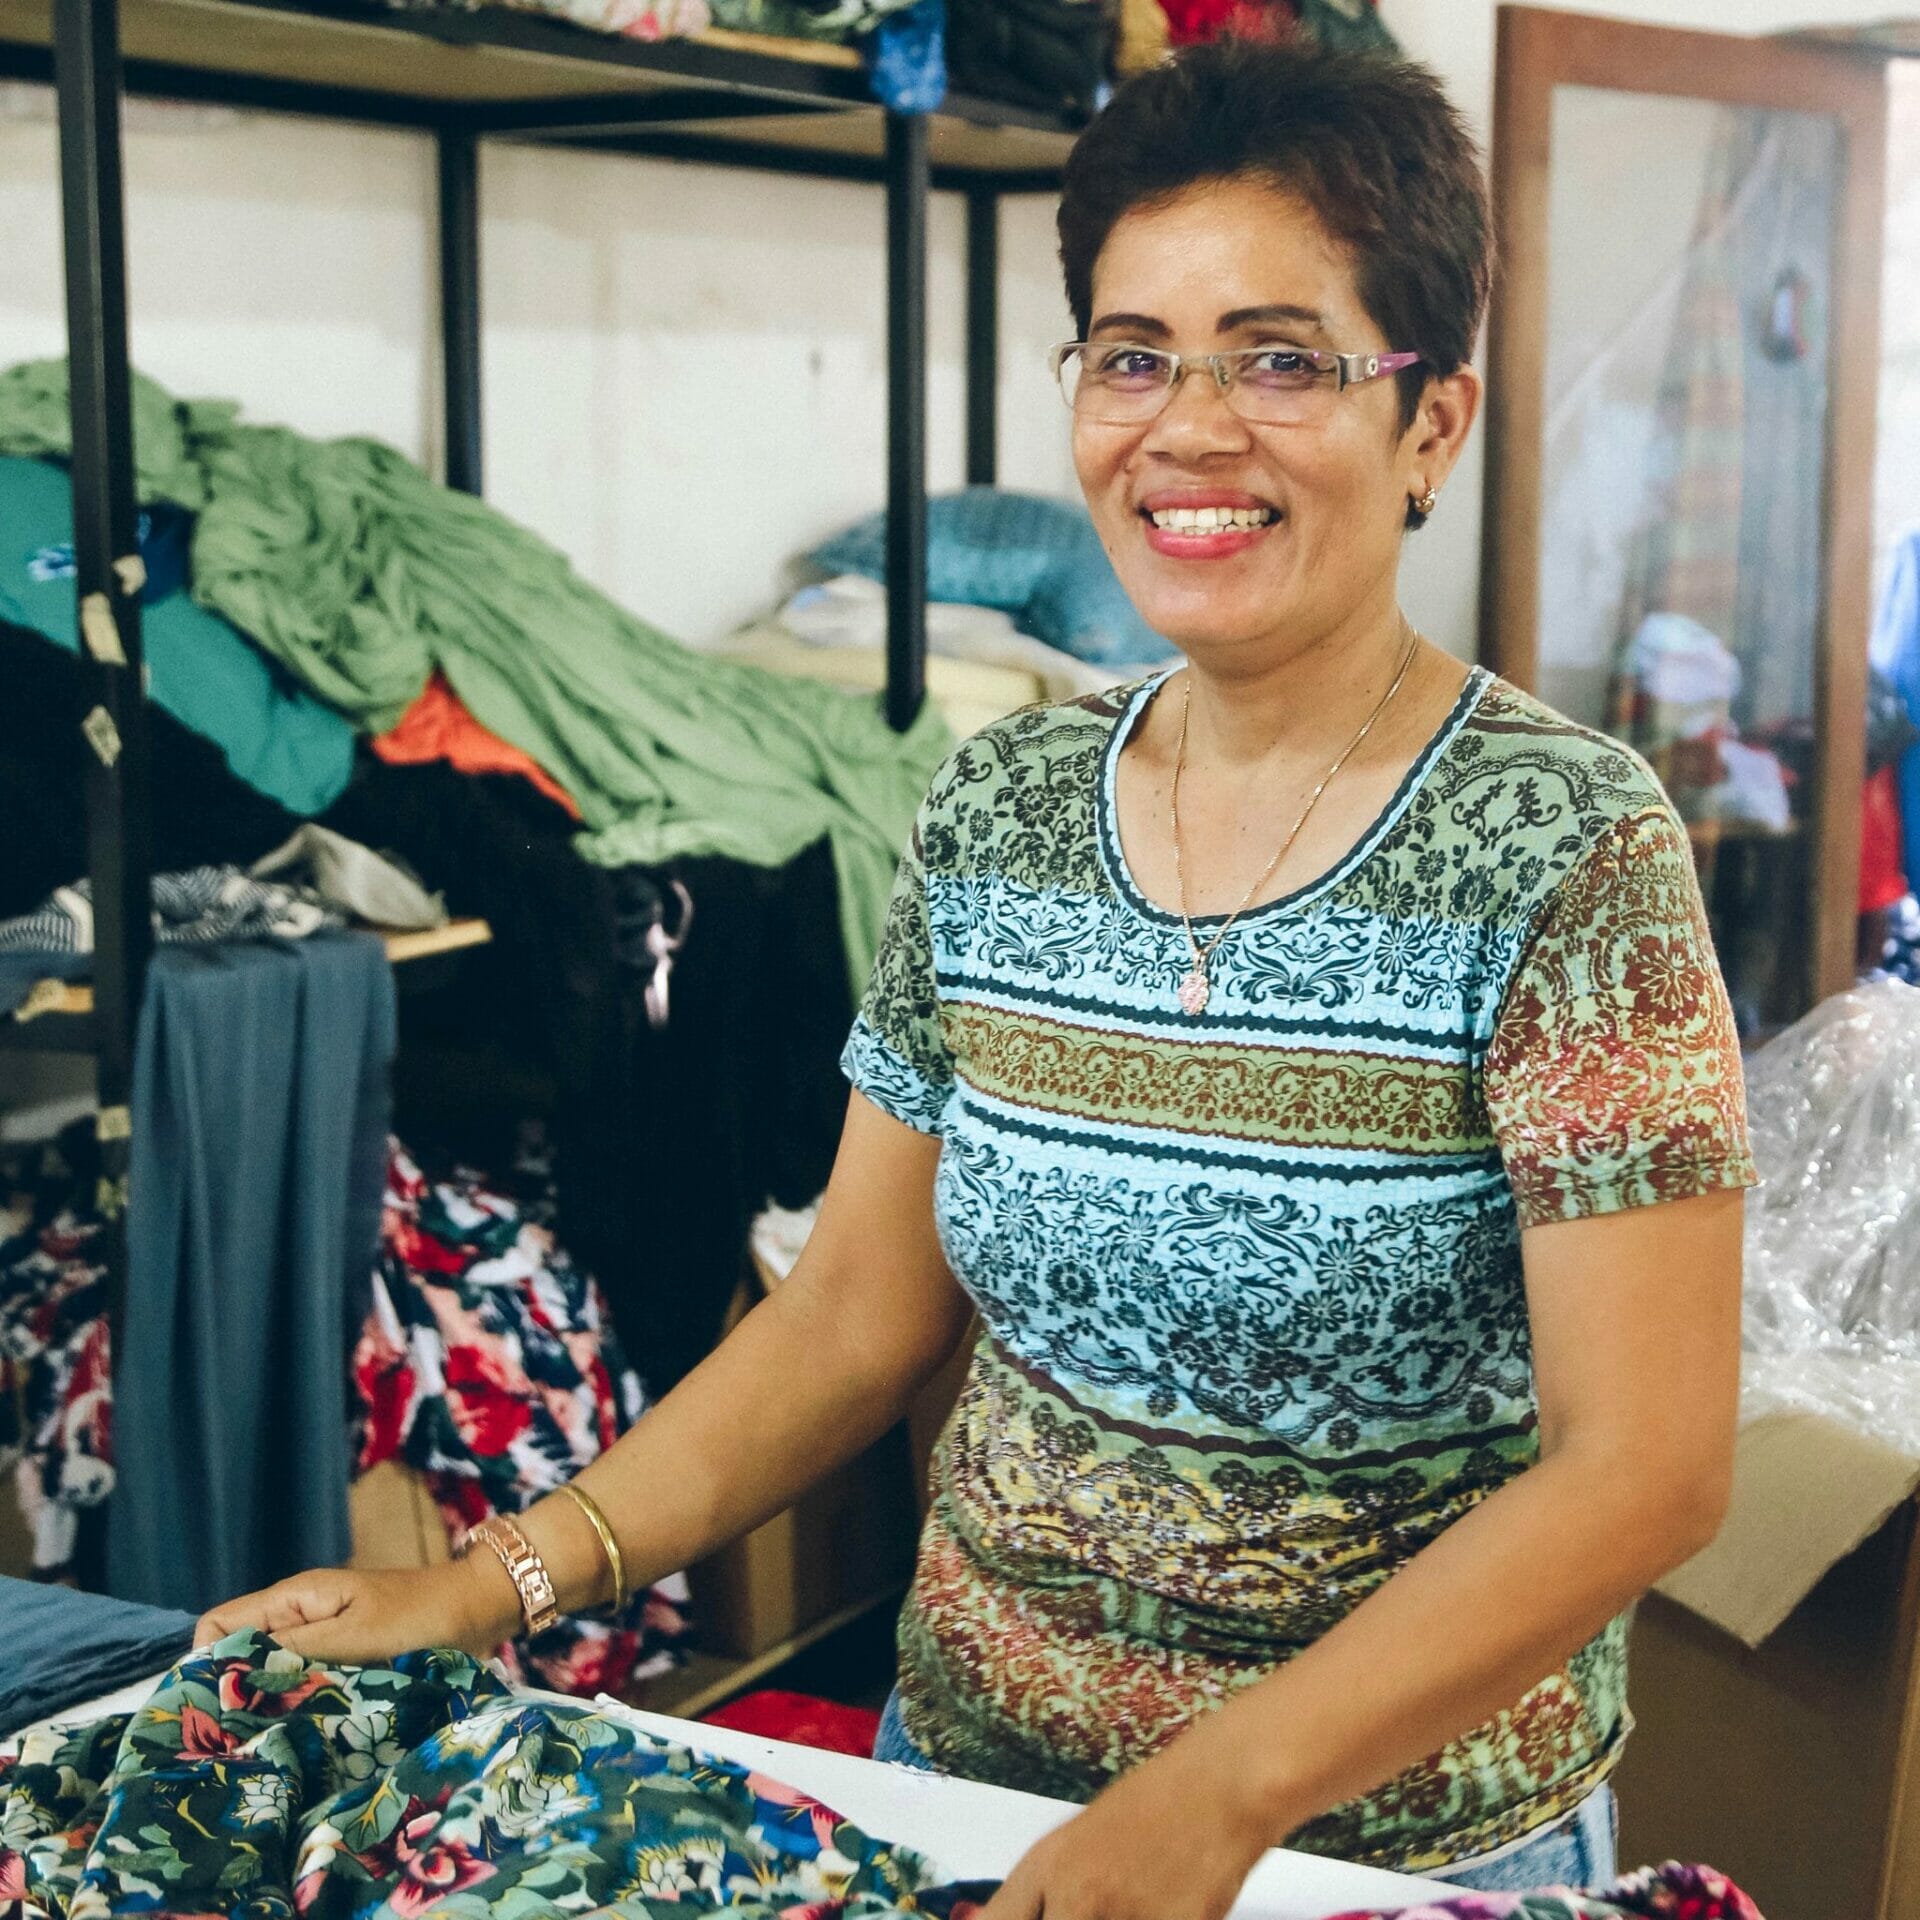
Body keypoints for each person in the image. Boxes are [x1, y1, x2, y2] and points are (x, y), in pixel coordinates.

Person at [200, 38, 1755, 1907]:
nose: (1187, 429)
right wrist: (487, 1584)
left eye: (1278, 359)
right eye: (1132, 356)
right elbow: (854, 1314)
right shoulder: (1003, 802)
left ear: (1432, 423)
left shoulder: (1567, 847)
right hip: (971, 1799)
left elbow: (1644, 1467)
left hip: (1383, 1859)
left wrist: (1216, 1800)